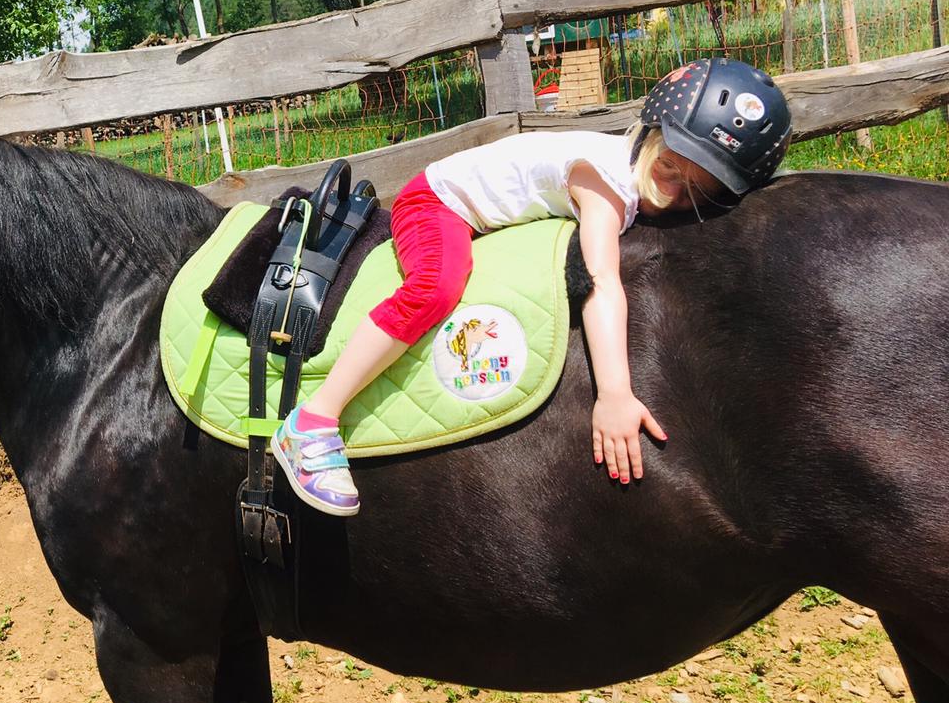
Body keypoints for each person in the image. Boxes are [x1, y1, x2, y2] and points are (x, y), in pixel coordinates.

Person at [271, 57, 793, 516]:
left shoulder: (634, 168)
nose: (671, 191)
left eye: (697, 193)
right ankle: (313, 420)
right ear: (654, 131)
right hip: (436, 201)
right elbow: (599, 281)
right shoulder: (605, 182)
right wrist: (613, 392)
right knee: (437, 285)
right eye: (670, 165)